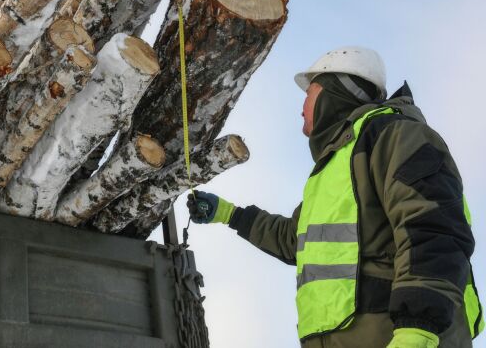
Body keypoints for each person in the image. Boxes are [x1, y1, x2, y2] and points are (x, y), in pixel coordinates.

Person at [187, 47, 483, 348]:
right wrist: (227, 214)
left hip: (401, 337)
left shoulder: (396, 136)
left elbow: (434, 229)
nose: (301, 107)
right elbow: (294, 239)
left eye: (309, 93)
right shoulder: (333, 168)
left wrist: (417, 331)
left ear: (334, 93)